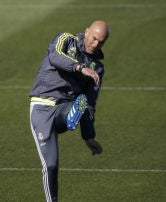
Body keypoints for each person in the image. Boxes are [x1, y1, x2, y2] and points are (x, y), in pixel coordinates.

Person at [29, 20, 110, 202]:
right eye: (94, 38)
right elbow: (54, 56)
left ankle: (73, 114)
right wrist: (81, 68)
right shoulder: (66, 39)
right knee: (50, 164)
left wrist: (88, 136)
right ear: (87, 31)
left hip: (64, 108)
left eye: (101, 42)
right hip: (42, 105)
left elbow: (90, 102)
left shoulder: (97, 68)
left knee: (80, 105)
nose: (95, 44)